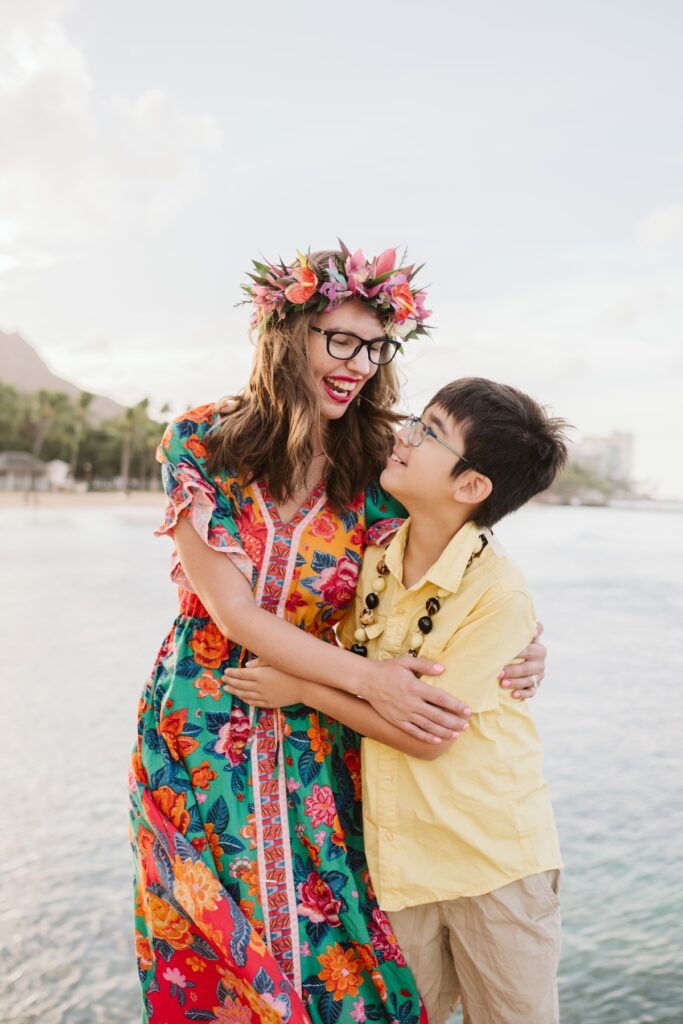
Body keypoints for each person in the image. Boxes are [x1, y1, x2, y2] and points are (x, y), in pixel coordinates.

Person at [129, 246, 548, 1024]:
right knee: (219, 956)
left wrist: (527, 640)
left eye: (375, 346)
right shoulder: (202, 443)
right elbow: (234, 617)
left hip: (326, 740)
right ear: (286, 335)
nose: (358, 364)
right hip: (203, 724)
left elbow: (458, 558)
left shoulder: (380, 462)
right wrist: (372, 681)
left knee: (339, 961)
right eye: (339, 340)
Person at [224, 377, 568, 1024]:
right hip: (399, 866)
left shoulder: (498, 594)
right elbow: (351, 656)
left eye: (429, 432)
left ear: (470, 487)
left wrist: (300, 689)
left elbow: (425, 734)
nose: (404, 436)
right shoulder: (379, 556)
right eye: (416, 420)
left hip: (492, 864)